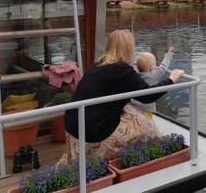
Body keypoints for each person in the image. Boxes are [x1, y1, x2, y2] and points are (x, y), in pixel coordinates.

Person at [63, 30, 184, 161]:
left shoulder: (98, 64)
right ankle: (144, 157)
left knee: (131, 110)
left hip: (73, 124)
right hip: (93, 132)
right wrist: (171, 79)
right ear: (128, 48)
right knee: (149, 128)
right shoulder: (122, 70)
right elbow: (147, 95)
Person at [130, 47, 174, 114]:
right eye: (155, 64)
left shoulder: (135, 76)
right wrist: (168, 55)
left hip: (134, 108)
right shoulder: (153, 75)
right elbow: (163, 67)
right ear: (152, 67)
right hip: (146, 109)